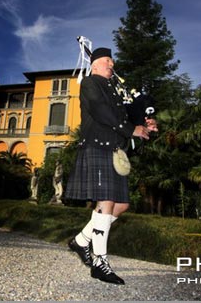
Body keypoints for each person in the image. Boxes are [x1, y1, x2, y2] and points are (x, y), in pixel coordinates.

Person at [65, 47, 157, 285]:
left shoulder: (115, 90)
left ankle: (81, 241)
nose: (112, 65)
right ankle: (100, 262)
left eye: (112, 62)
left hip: (115, 150)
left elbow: (126, 114)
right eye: (108, 61)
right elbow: (100, 111)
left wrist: (145, 123)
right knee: (106, 200)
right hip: (97, 145)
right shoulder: (89, 83)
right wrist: (129, 129)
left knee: (122, 204)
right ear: (95, 64)